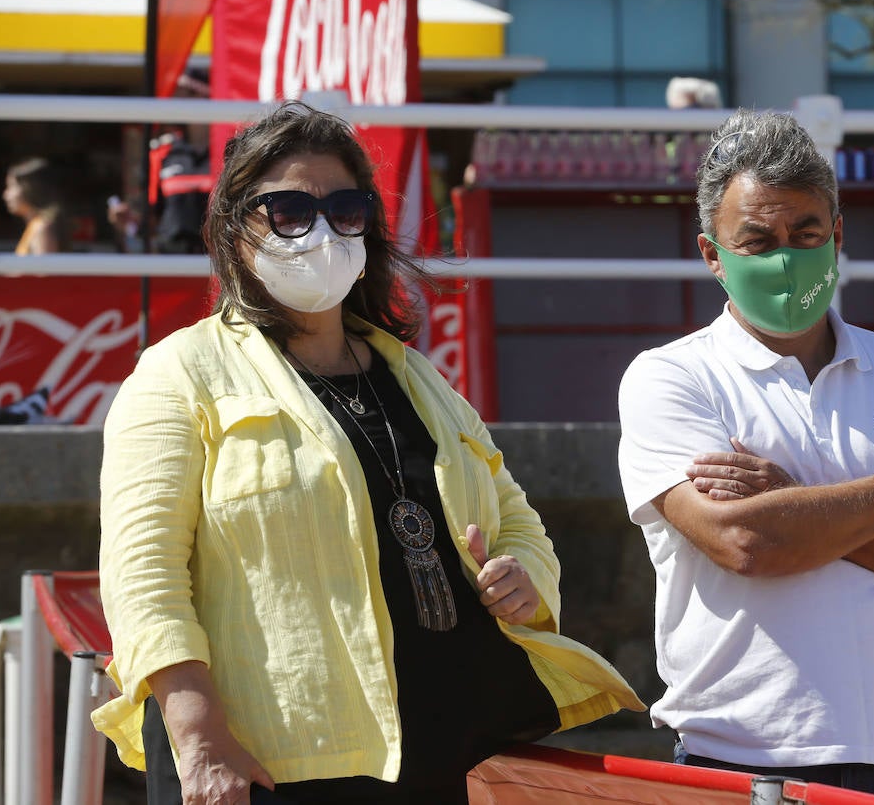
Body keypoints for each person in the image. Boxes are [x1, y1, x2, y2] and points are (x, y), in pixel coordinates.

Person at [94, 101, 643, 805]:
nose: (320, 231)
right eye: (287, 209)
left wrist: (525, 578)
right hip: (266, 764)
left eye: (345, 208)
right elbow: (143, 572)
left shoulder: (418, 376)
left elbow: (518, 519)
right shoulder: (181, 373)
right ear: (234, 232)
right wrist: (199, 737)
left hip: (443, 748)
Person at [616, 109, 874, 805]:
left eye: (806, 234)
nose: (786, 258)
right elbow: (746, 541)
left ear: (837, 237)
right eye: (757, 240)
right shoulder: (670, 378)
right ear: (713, 254)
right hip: (737, 762)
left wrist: (799, 498)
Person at [108, 65, 213, 254]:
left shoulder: (231, 152)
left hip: (219, 264)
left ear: (205, 96)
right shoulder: (162, 153)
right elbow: (149, 220)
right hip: (171, 262)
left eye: (187, 93)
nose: (177, 100)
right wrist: (127, 222)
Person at [3, 156, 72, 255]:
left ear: (29, 189)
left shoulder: (41, 228)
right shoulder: (36, 225)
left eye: (11, 187)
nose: (6, 195)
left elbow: (45, 269)